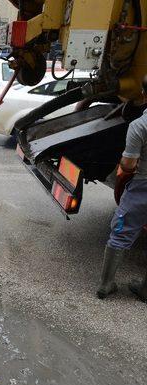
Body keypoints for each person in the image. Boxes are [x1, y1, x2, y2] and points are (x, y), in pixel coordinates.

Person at [97, 75, 147, 302]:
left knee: (120, 230)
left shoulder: (139, 126)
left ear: (143, 95)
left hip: (142, 186)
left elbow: (128, 164)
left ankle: (106, 285)